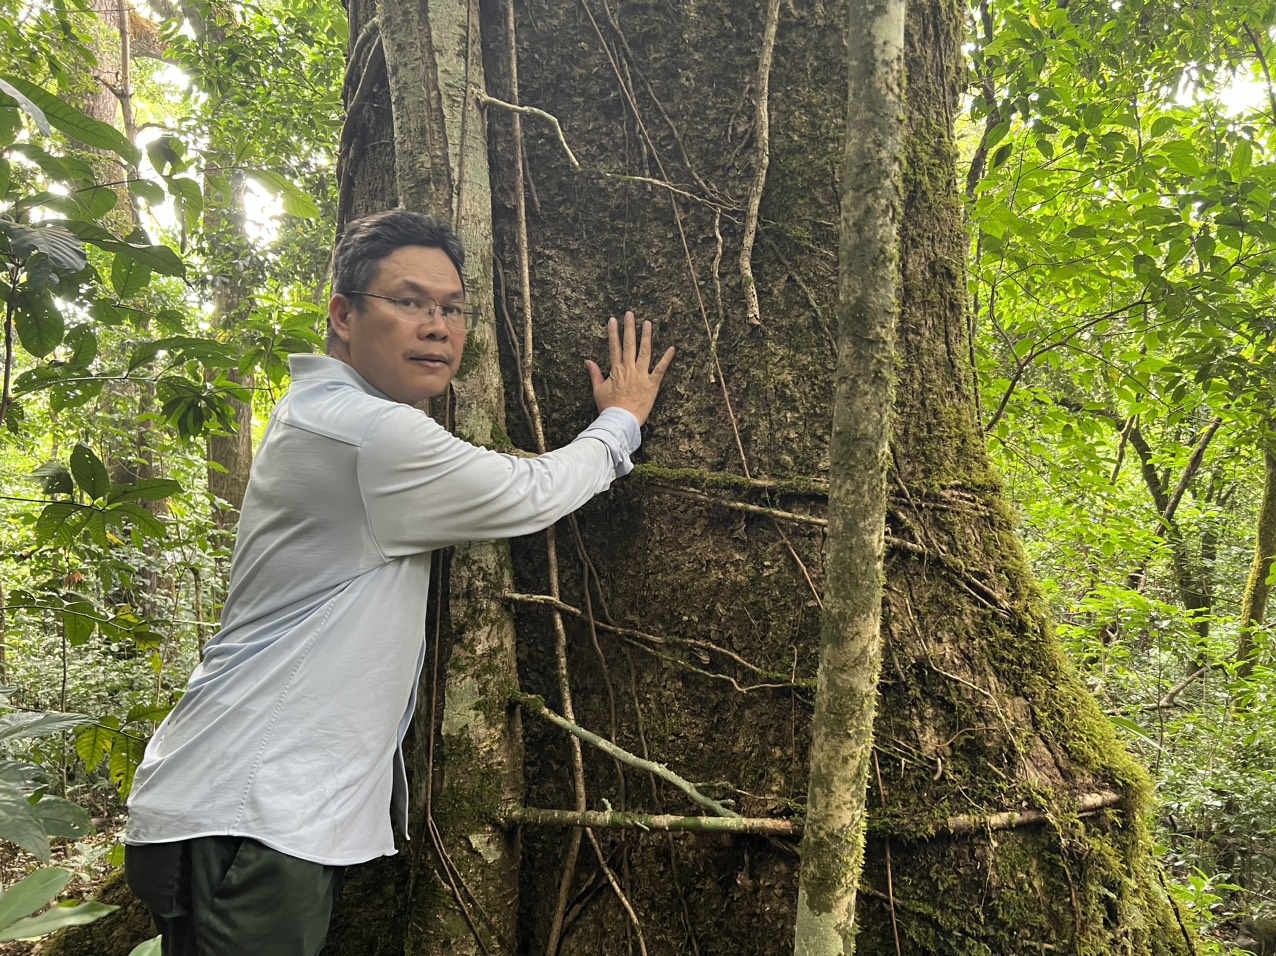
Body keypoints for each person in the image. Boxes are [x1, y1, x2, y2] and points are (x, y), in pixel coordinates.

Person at [123, 209, 675, 955]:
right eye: (409, 302)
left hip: (238, 809)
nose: (437, 326)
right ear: (343, 315)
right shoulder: (370, 433)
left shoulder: (322, 415)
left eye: (451, 308)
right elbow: (531, 493)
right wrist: (622, 423)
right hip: (250, 814)